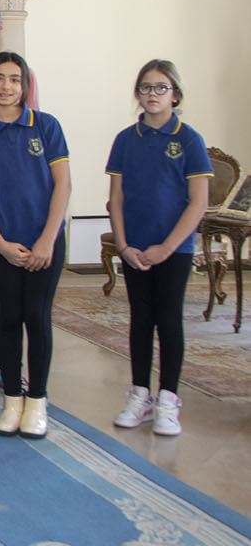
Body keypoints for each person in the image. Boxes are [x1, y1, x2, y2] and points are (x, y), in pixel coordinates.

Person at [0, 52, 70, 440]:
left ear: (25, 85)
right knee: (7, 320)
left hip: (45, 243)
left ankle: (37, 401)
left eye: (14, 79)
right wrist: (0, 243)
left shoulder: (46, 126)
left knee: (37, 319)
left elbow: (63, 185)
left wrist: (46, 239)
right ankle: (11, 400)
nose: (6, 86)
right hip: (3, 245)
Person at [107, 59, 211, 437]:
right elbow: (116, 199)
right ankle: (140, 395)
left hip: (174, 250)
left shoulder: (188, 140)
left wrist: (166, 248)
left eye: (160, 88)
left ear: (175, 94)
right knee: (140, 320)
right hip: (134, 248)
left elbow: (198, 202)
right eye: (146, 88)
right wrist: (123, 245)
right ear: (138, 94)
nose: (153, 95)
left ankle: (168, 399)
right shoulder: (125, 140)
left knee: (168, 321)